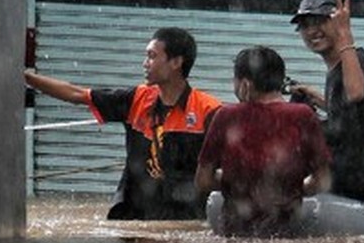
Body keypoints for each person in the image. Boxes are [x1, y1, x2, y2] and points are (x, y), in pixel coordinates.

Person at [24, 27, 223, 220]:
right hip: (134, 216)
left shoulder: (208, 110)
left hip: (186, 219)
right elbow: (76, 94)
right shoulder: (137, 99)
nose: (145, 63)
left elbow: (224, 167)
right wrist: (27, 77)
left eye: (152, 56)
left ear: (176, 62)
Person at [195, 46, 332, 237]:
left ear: (245, 84)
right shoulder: (303, 115)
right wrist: (289, 189)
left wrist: (238, 183)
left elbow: (203, 180)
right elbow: (322, 180)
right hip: (286, 232)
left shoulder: (227, 115)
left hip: (235, 232)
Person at [287, 0, 364, 202]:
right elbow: (350, 113)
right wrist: (318, 99)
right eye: (305, 26)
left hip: (360, 181)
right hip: (346, 174)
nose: (312, 30)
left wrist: (345, 36)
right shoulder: (336, 69)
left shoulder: (356, 60)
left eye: (320, 22)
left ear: (337, 23)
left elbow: (356, 93)